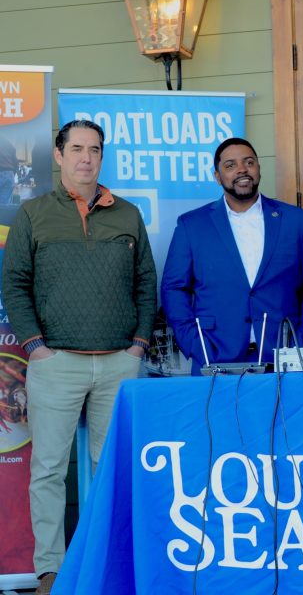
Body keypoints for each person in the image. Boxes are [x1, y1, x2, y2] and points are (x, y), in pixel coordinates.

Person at [2, 119, 157, 594]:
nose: (86, 158)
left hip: (118, 363)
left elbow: (146, 283)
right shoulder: (34, 214)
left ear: (101, 156)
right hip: (56, 363)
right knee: (49, 470)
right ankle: (51, 572)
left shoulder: (128, 214)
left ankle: (106, 567)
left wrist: (138, 344)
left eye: (94, 149)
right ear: (60, 155)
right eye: (77, 149)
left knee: (111, 472)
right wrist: (36, 347)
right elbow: (15, 284)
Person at [161, 137, 303, 373]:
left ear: (258, 169)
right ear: (218, 176)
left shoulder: (296, 221)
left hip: (283, 358)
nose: (242, 169)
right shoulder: (192, 225)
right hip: (213, 357)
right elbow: (173, 288)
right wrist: (193, 343)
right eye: (230, 165)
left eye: (249, 162)